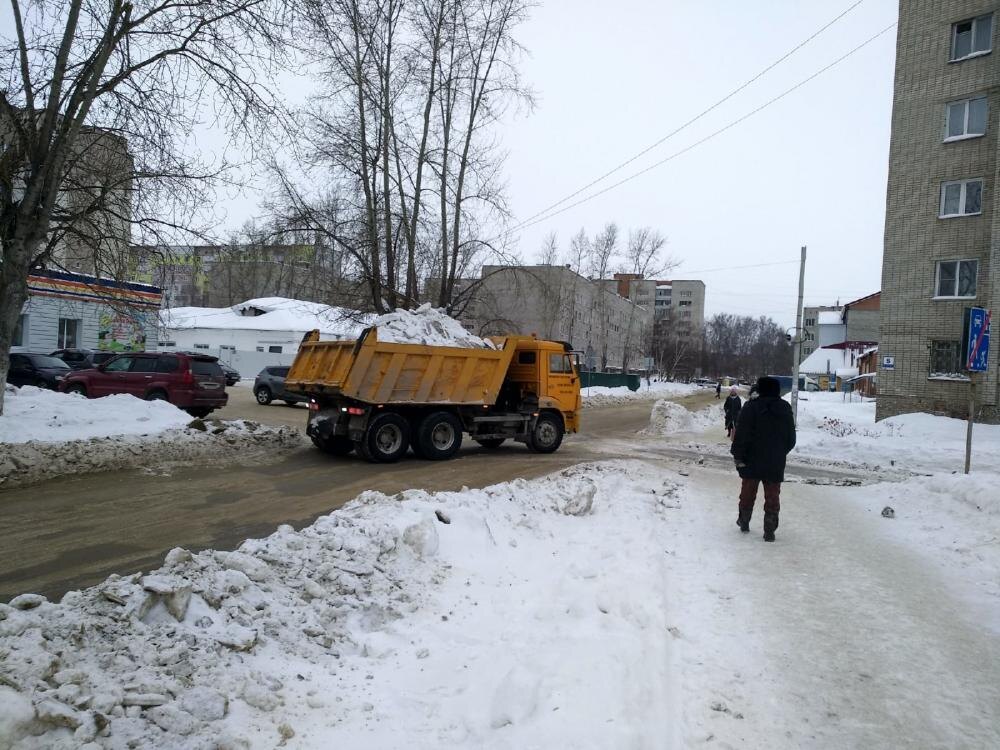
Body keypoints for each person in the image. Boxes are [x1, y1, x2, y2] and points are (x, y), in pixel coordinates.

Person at [730, 376, 796, 542]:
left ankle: (744, 521)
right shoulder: (785, 408)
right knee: (773, 496)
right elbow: (791, 438)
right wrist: (780, 452)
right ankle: (769, 530)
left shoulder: (750, 407)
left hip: (751, 460)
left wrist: (738, 456)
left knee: (748, 492)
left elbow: (741, 434)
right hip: (775, 461)